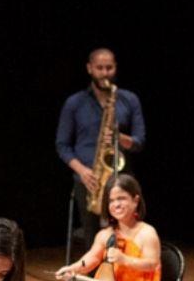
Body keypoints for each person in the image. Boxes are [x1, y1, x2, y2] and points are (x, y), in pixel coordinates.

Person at [55, 48, 146, 253]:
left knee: (128, 233)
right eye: (100, 68)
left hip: (121, 176)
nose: (105, 73)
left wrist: (119, 137)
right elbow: (62, 145)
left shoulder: (129, 99)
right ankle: (97, 279)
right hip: (89, 178)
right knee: (92, 235)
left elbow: (140, 141)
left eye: (109, 68)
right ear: (90, 68)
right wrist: (82, 170)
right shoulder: (74, 103)